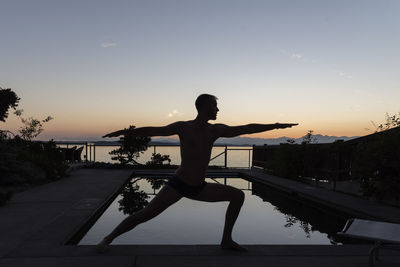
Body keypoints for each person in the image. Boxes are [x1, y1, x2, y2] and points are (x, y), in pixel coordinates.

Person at [96, 94, 298, 253]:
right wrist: (124, 132)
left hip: (199, 187)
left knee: (238, 196)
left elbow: (248, 128)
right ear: (203, 107)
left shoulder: (215, 130)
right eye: (214, 106)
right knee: (145, 214)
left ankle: (226, 241)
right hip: (178, 184)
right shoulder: (183, 127)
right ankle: (108, 239)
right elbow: (153, 130)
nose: (217, 109)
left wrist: (276, 125)